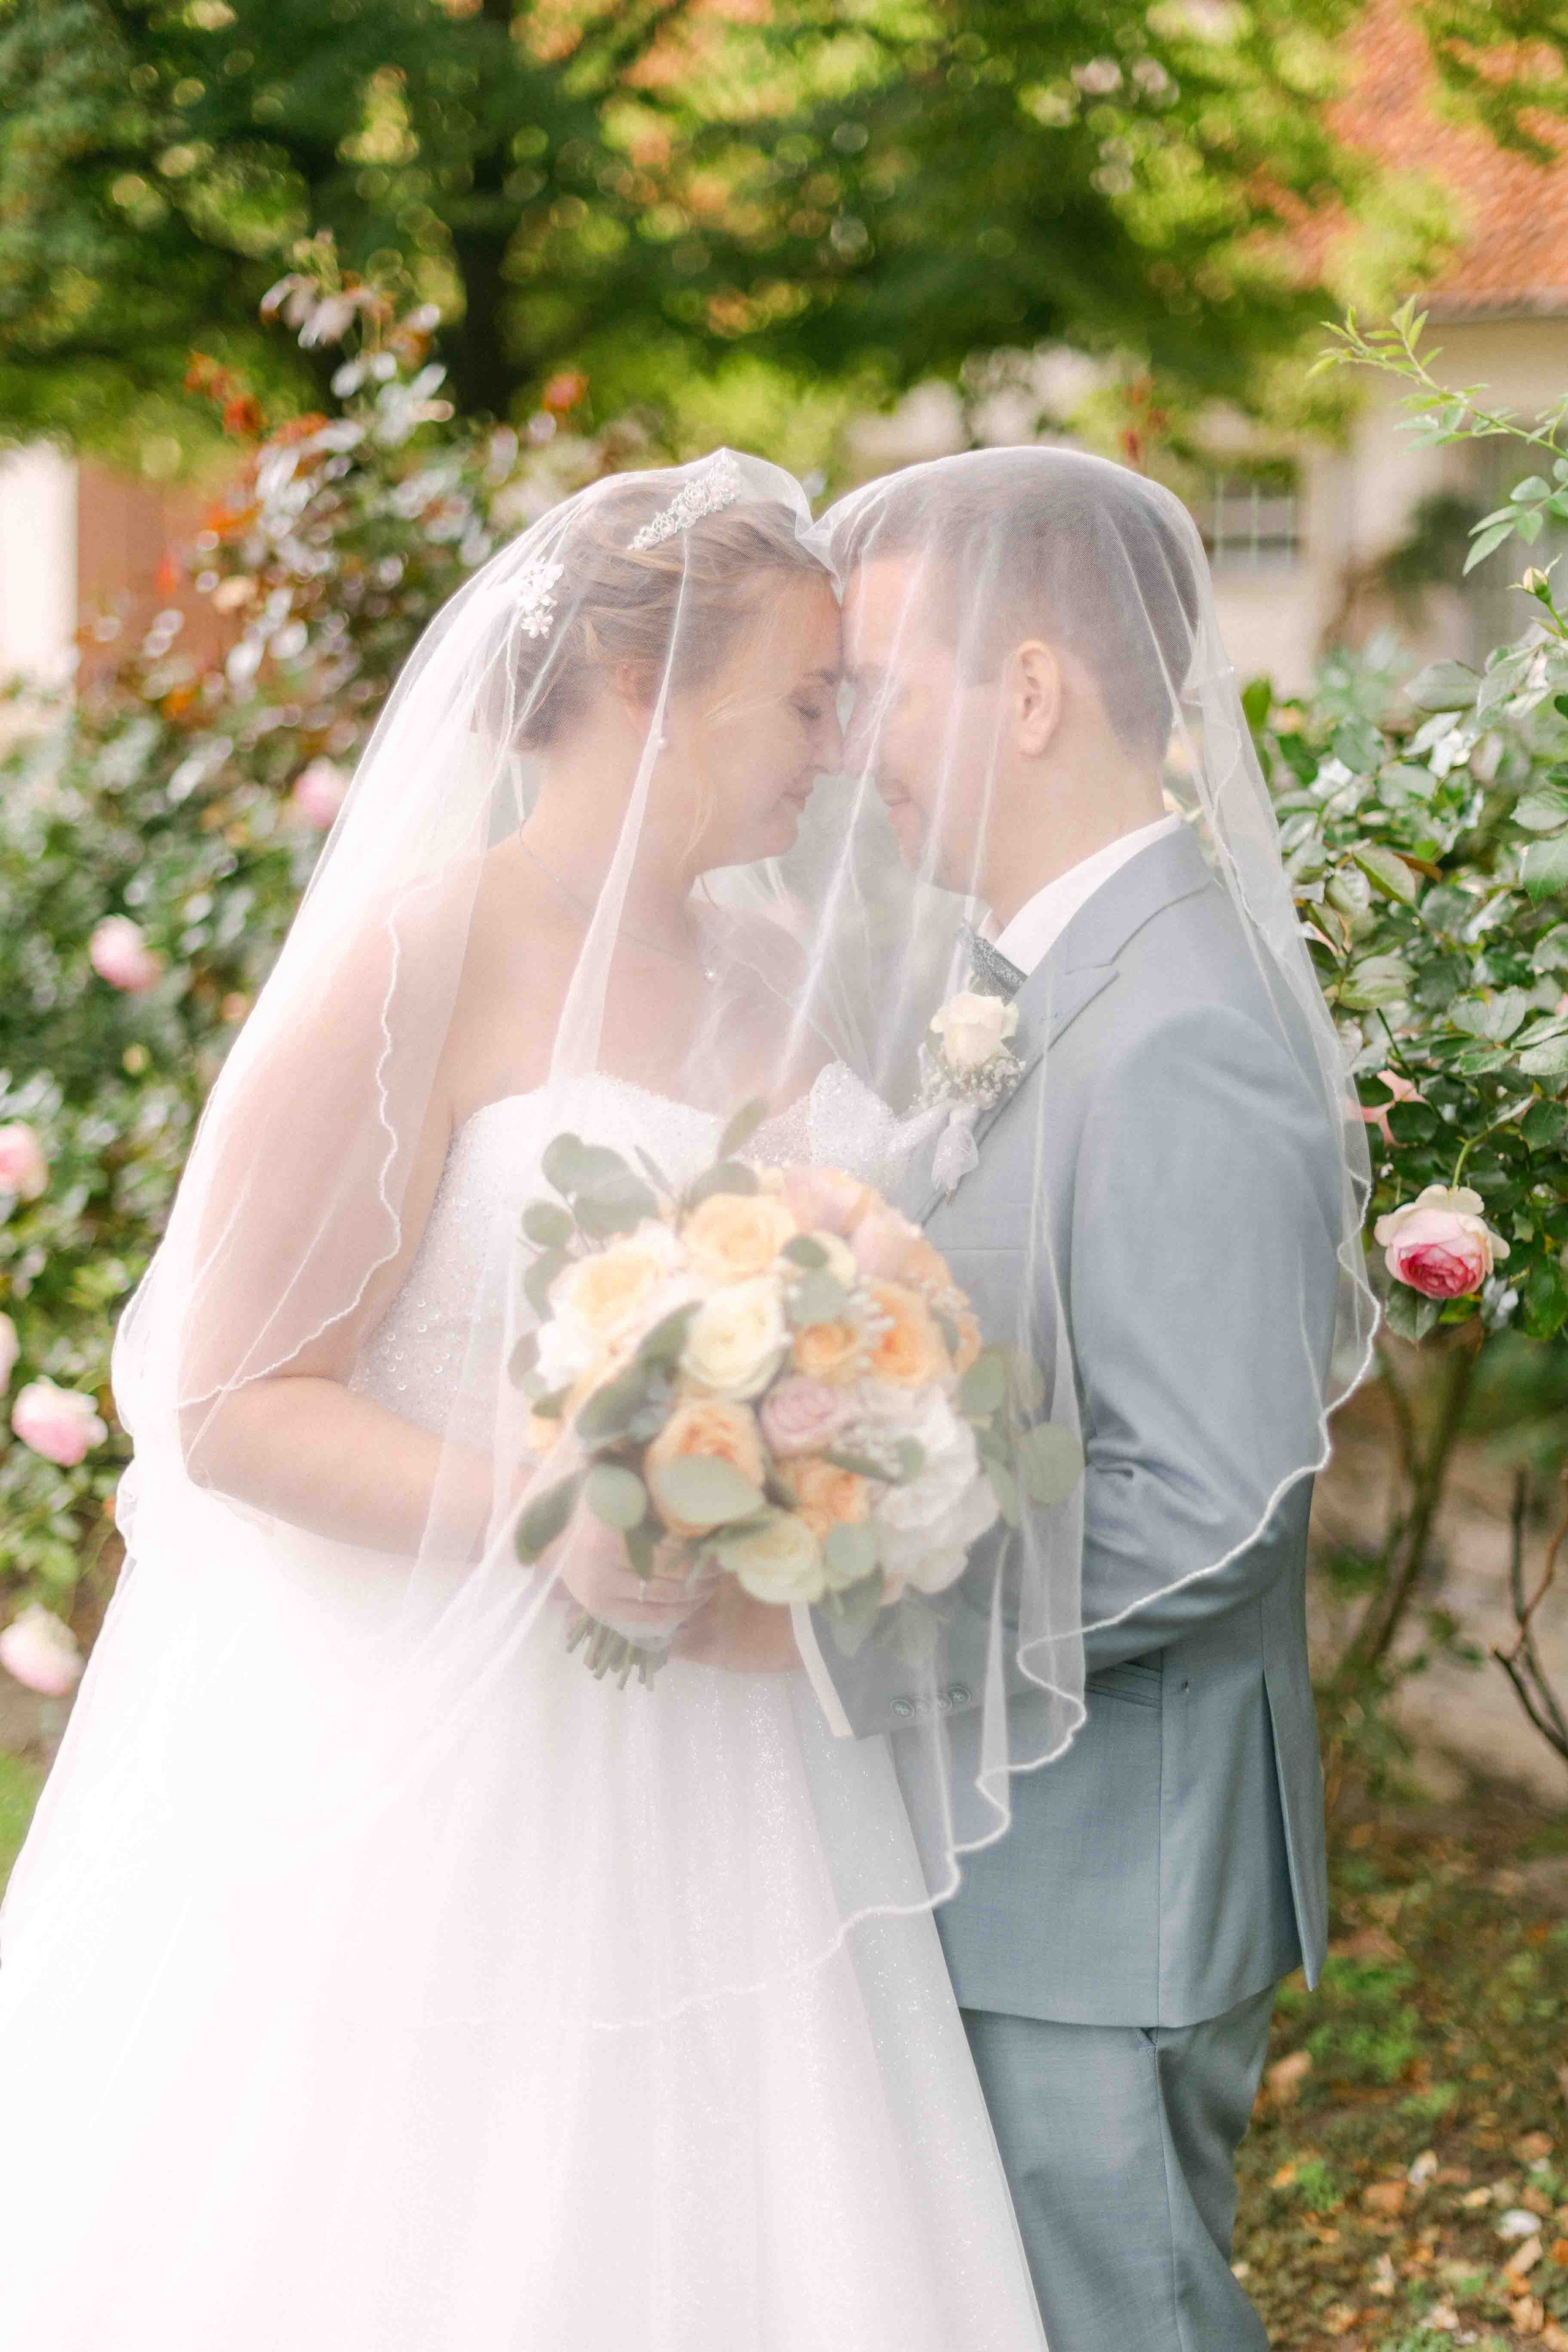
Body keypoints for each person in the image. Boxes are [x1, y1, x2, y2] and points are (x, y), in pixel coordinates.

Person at [0, 454, 1050, 2352]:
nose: (833, 745)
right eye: (806, 698)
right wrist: (555, 1510)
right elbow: (233, 1399)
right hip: (444, 1752)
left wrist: (839, 1448)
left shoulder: (766, 973)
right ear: (652, 690)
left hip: (738, 1752)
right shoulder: (421, 960)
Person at [777, 446, 1376, 2351]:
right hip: (1009, 1853)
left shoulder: (1181, 1024)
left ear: (1029, 694)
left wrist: (832, 1616)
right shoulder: (1031, 988)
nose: (855, 743)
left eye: (882, 687)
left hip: (1104, 1885)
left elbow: (1210, 1506)